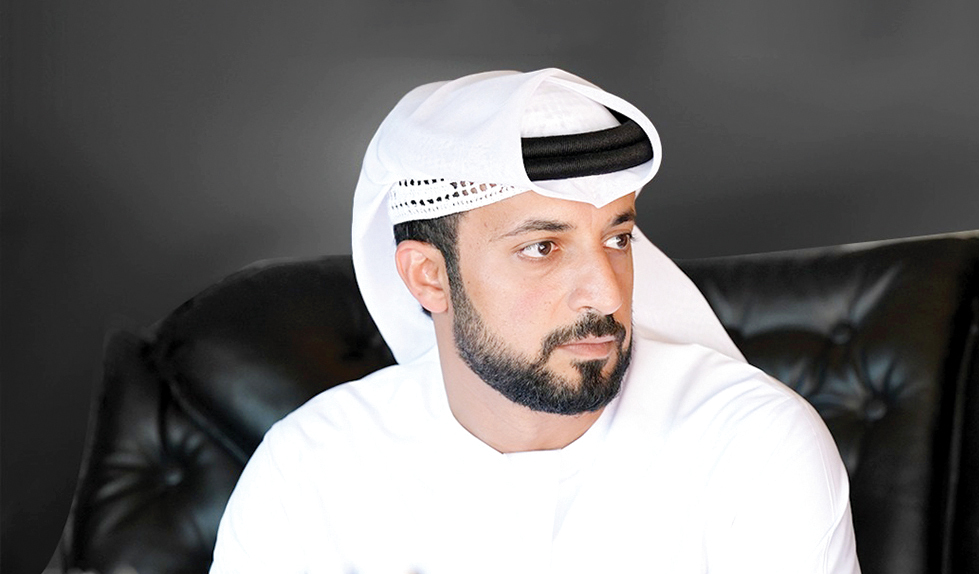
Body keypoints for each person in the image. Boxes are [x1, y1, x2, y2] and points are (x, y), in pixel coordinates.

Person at [210, 68, 860, 573]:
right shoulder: (311, 468)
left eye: (617, 238)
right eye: (542, 248)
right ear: (428, 277)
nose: (604, 293)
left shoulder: (751, 448)